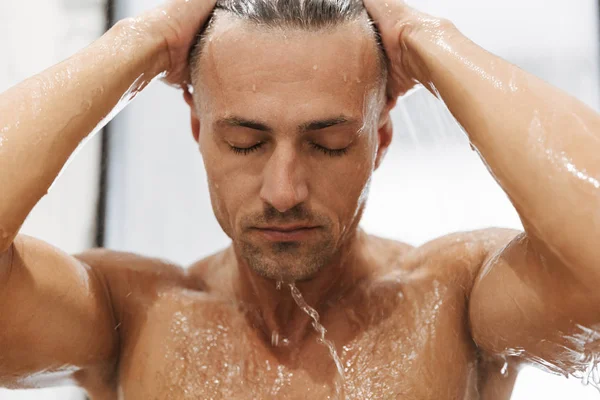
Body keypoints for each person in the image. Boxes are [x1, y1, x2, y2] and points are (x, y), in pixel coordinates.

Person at [0, 0, 599, 398]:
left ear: (380, 137)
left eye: (330, 144)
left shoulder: (454, 302)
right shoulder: (129, 314)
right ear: (198, 132)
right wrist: (143, 42)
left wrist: (429, 42)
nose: (284, 192)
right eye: (245, 143)